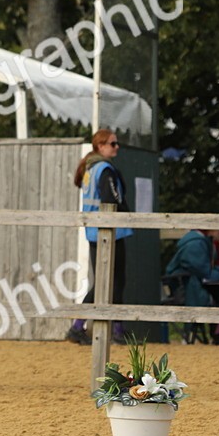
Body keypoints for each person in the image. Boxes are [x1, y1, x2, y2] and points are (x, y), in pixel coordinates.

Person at [66, 129, 132, 344]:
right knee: (114, 282)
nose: (117, 147)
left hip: (95, 232)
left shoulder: (90, 169)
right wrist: (128, 215)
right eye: (113, 144)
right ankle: (115, 331)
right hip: (110, 232)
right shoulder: (104, 169)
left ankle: (80, 326)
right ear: (100, 146)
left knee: (104, 282)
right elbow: (110, 199)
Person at [165, 229, 219, 344]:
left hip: (196, 284)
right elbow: (202, 270)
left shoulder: (202, 242)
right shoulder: (195, 244)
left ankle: (218, 335)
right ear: (210, 229)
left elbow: (204, 267)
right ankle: (217, 335)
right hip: (187, 289)